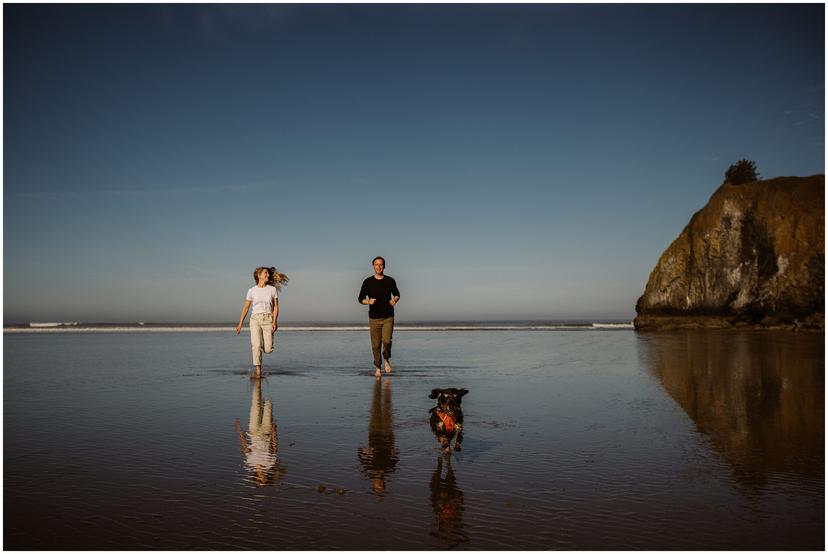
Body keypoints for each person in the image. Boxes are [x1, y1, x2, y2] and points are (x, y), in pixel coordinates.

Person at [236, 266, 288, 379]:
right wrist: (240, 323)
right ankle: (258, 372)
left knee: (268, 349)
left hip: (268, 319)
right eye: (265, 273)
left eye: (268, 273)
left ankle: (263, 347)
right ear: (259, 275)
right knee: (256, 345)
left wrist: (275, 322)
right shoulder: (251, 291)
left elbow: (275, 307)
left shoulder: (272, 290)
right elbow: (246, 308)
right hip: (255, 319)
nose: (268, 275)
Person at [357, 256, 400, 377]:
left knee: (386, 341)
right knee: (375, 345)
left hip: (388, 316)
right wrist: (368, 301)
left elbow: (397, 294)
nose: (378, 267)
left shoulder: (390, 281)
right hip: (374, 318)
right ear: (373, 266)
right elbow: (360, 298)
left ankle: (386, 359)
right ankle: (377, 366)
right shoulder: (367, 281)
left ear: (384, 266)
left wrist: (395, 300)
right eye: (376, 264)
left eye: (381, 264)